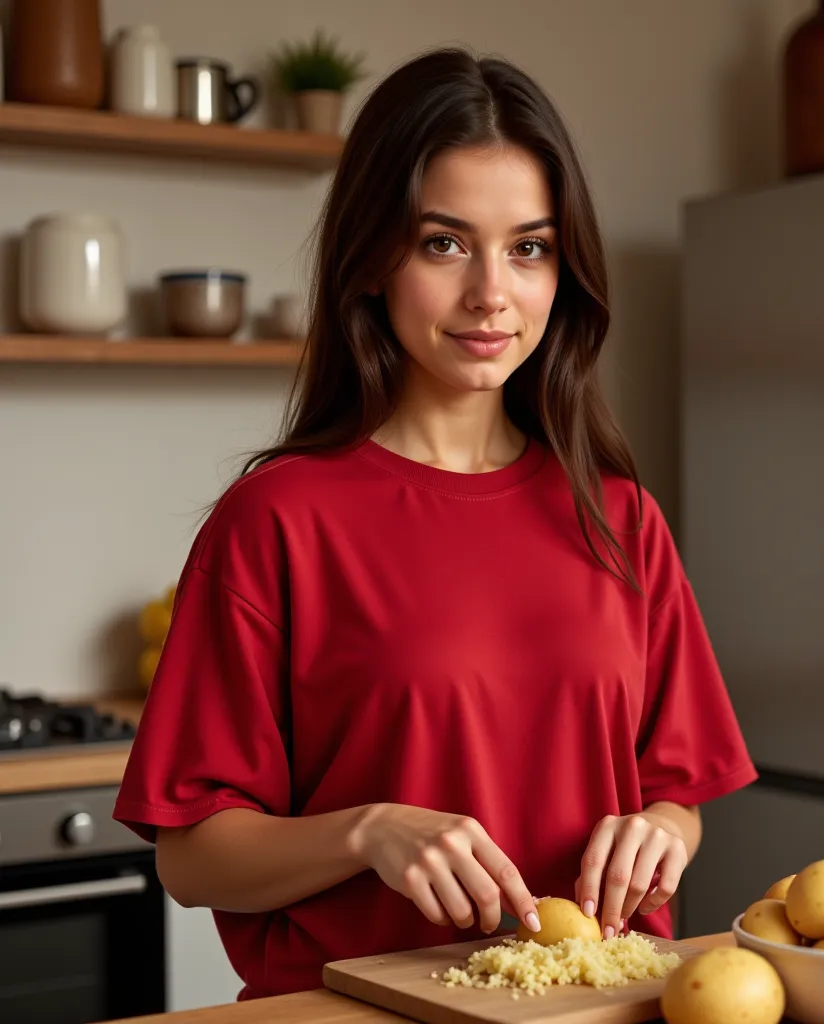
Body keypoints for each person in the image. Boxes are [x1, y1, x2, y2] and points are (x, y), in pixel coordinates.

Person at [113, 45, 757, 1002]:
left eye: (529, 247)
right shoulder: (278, 521)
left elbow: (678, 792)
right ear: (373, 259)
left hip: (600, 1010)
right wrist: (365, 830)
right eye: (444, 243)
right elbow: (192, 859)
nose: (491, 293)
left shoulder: (620, 516)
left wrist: (663, 829)